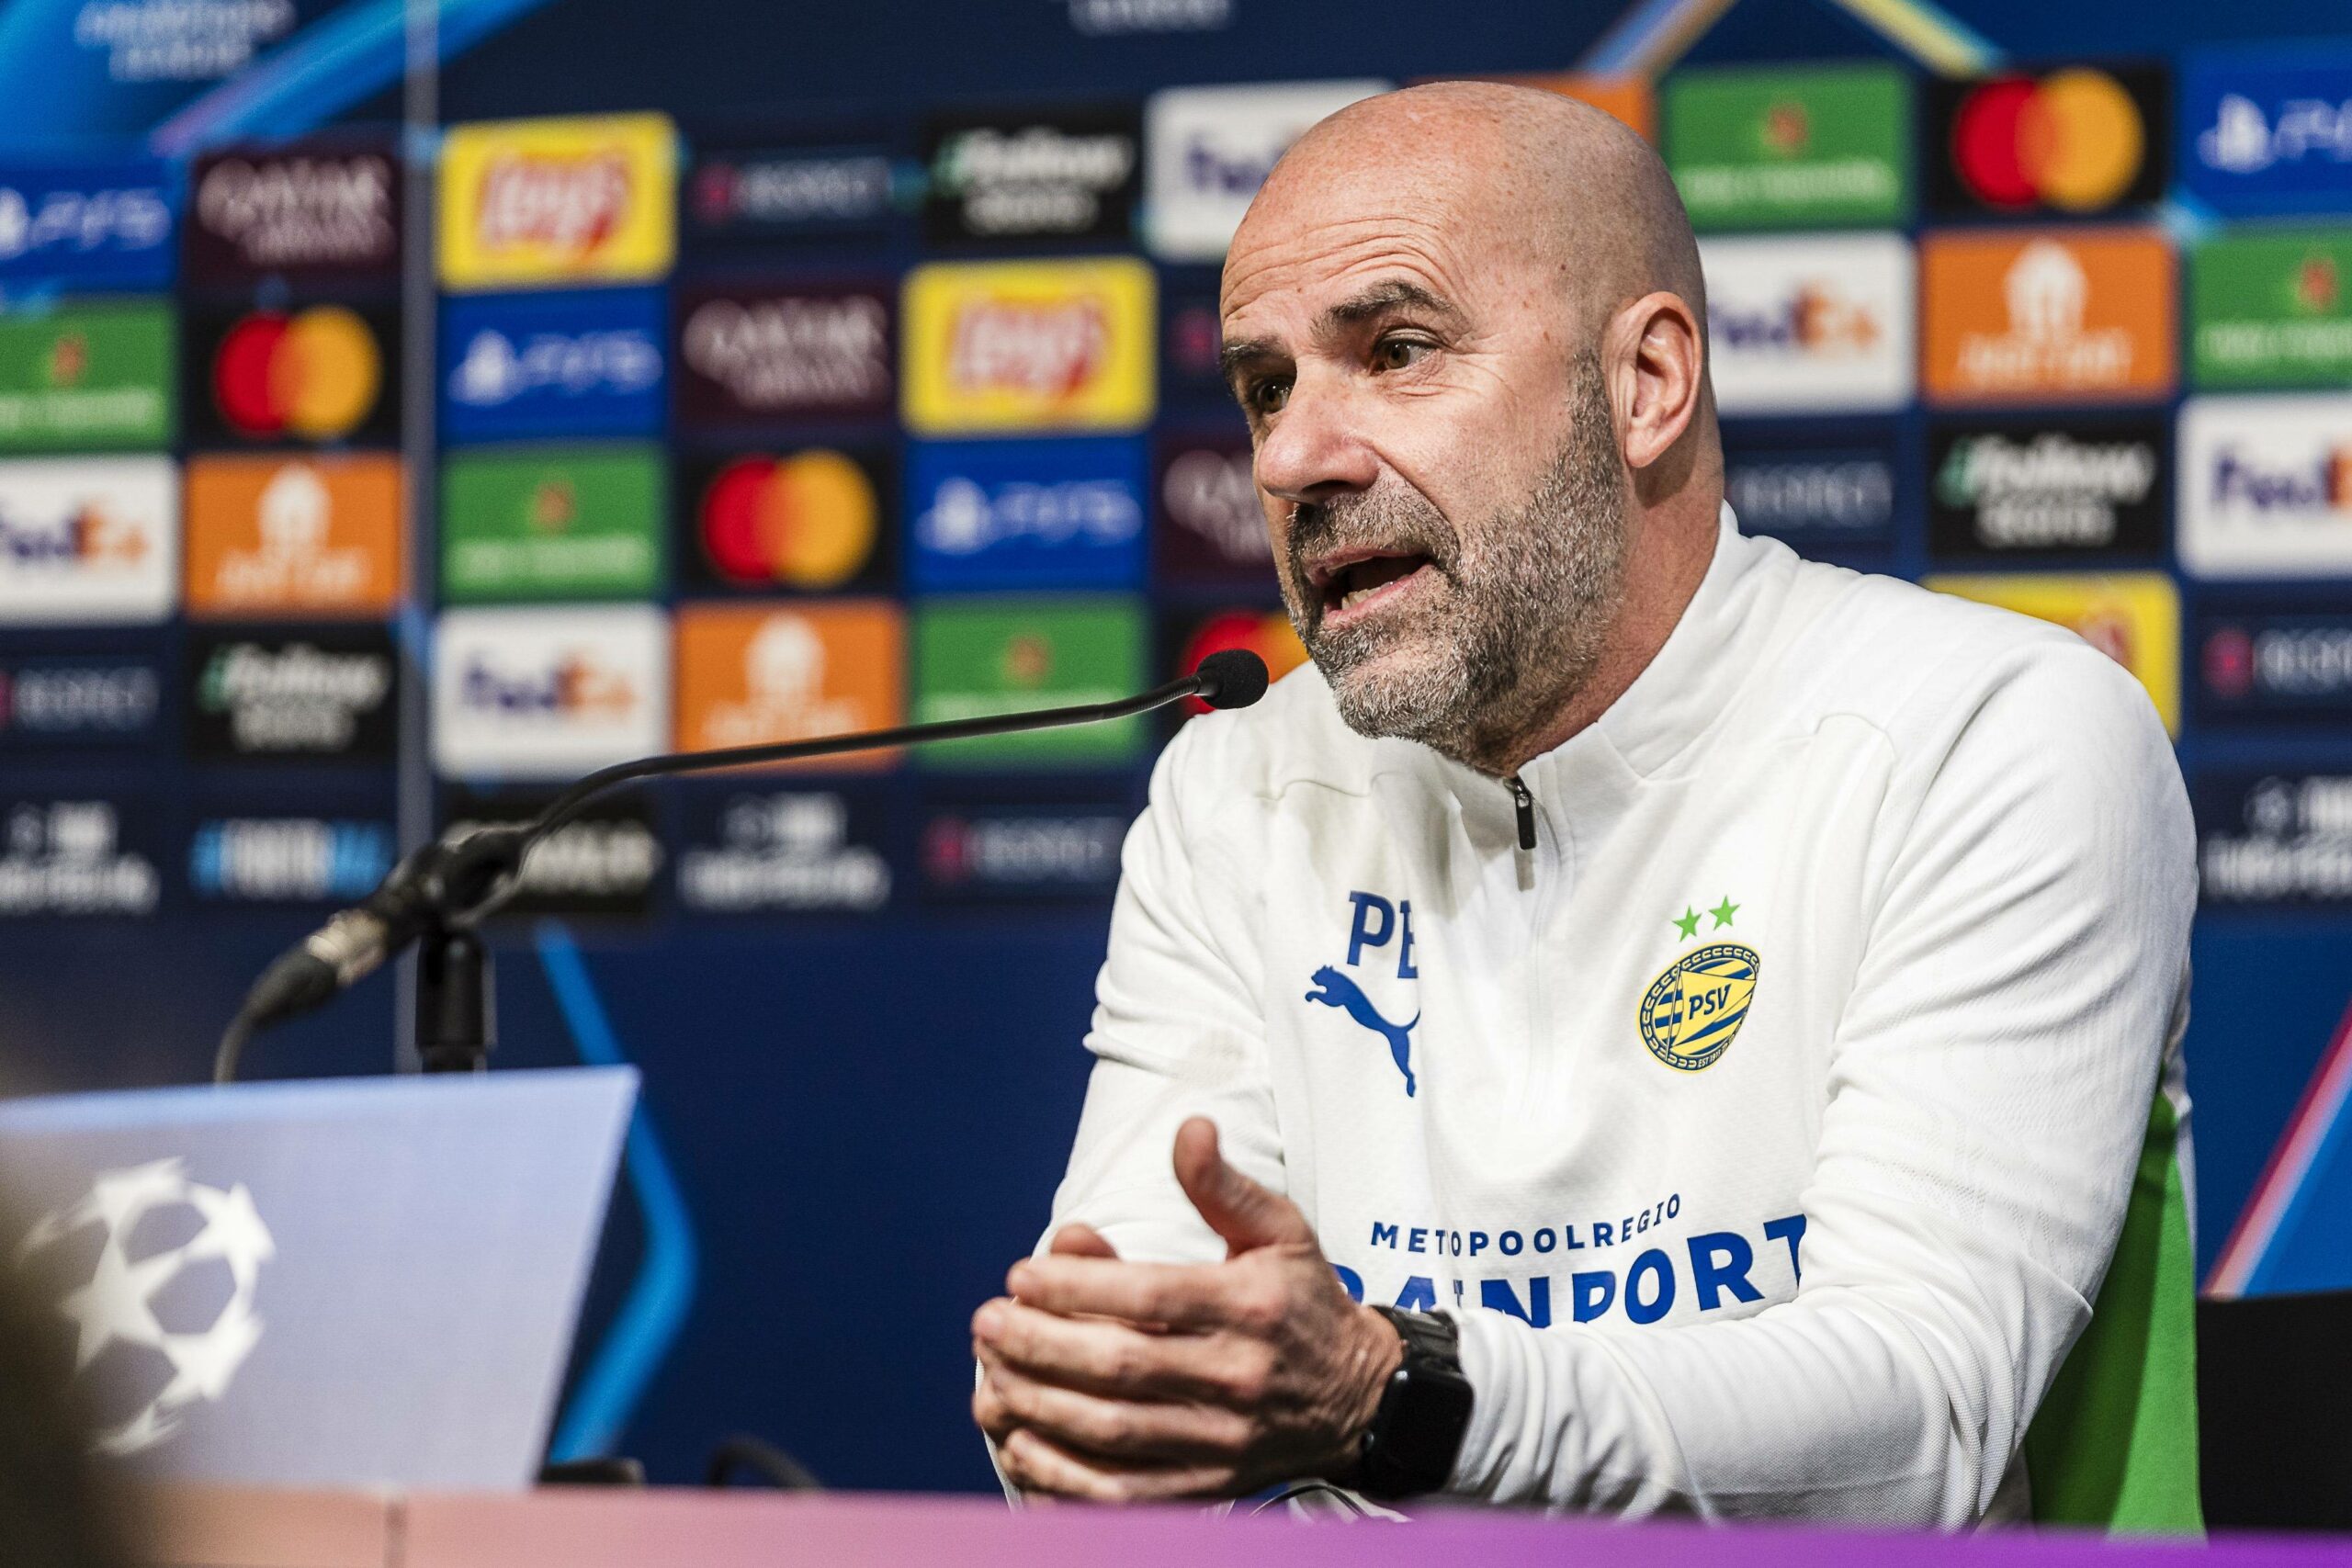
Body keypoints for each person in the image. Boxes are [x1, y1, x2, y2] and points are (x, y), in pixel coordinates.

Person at [970, 81, 2198, 1529]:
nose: (1296, 457)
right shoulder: (1239, 782)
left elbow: (1914, 1432)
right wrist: (1098, 1399)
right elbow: (1122, 1381)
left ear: (1646, 386)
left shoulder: (1986, 734)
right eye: (1266, 389)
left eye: (1397, 350)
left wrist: (1397, 1400)